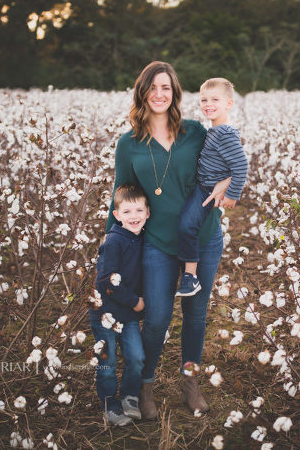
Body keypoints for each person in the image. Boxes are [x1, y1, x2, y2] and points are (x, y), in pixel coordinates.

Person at [106, 61, 231, 419]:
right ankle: (145, 386)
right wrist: (109, 249)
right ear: (142, 92)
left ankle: (189, 383)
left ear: (175, 93)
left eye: (166, 88)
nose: (159, 94)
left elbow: (229, 158)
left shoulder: (195, 132)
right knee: (157, 317)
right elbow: (120, 194)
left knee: (196, 317)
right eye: (152, 87)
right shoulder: (129, 144)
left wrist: (229, 184)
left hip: (204, 237)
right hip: (158, 242)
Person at [175, 78, 248, 297]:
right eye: (204, 99)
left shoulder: (224, 134)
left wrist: (232, 194)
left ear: (229, 103)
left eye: (215, 99)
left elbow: (241, 164)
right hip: (203, 186)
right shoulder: (213, 131)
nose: (208, 104)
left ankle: (190, 276)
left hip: (207, 190)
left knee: (187, 226)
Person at [90, 184, 149, 426]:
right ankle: (109, 404)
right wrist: (135, 301)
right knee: (108, 361)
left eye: (138, 211)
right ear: (116, 215)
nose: (133, 217)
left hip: (128, 315)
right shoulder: (114, 241)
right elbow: (105, 281)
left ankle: (129, 396)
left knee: (136, 357)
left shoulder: (144, 239)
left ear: (148, 213)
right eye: (126, 212)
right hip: (104, 312)